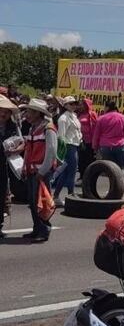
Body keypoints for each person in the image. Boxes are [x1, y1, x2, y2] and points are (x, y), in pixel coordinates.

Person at [21, 99, 57, 242]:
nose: (26, 115)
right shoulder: (33, 128)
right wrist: (24, 168)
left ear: (37, 113)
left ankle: (44, 230)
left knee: (41, 203)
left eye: (29, 112)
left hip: (41, 173)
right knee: (33, 202)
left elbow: (51, 152)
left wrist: (42, 171)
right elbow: (29, 150)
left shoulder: (48, 128)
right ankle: (37, 229)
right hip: (32, 172)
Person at [52, 96, 82, 200]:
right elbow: (61, 136)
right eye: (71, 104)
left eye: (74, 103)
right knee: (72, 171)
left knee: (65, 172)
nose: (73, 105)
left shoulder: (74, 116)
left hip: (75, 144)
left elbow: (77, 131)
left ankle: (56, 195)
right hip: (68, 146)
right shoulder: (63, 118)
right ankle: (71, 194)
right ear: (65, 105)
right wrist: (62, 151)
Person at [0, 95, 21, 238]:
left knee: (2, 195)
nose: (3, 114)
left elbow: (21, 141)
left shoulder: (12, 126)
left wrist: (17, 149)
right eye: (1, 111)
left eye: (7, 112)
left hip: (5, 165)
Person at [92, 100, 124, 170]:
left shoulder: (101, 119)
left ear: (107, 107)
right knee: (121, 169)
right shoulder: (122, 117)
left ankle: (111, 180)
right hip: (120, 146)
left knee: (109, 170)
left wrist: (95, 147)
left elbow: (96, 135)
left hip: (105, 147)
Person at [76, 98, 97, 179]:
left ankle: (88, 177)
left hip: (89, 142)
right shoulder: (79, 114)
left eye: (81, 105)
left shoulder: (91, 114)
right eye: (79, 105)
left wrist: (95, 142)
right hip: (80, 141)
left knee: (88, 160)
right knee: (81, 160)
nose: (80, 106)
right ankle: (82, 176)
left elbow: (95, 128)